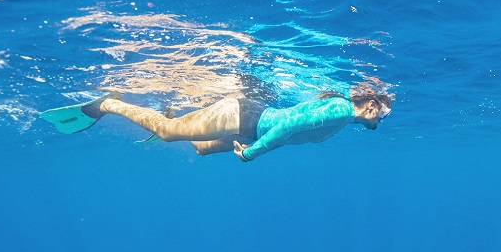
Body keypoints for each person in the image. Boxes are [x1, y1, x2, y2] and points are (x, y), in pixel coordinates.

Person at [42, 84, 393, 161]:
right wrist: (252, 152)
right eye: (384, 115)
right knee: (166, 134)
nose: (381, 124)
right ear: (373, 104)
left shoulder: (343, 116)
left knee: (200, 149)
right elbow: (288, 128)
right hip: (245, 118)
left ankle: (174, 110)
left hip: (247, 126)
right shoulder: (340, 110)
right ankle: (109, 104)